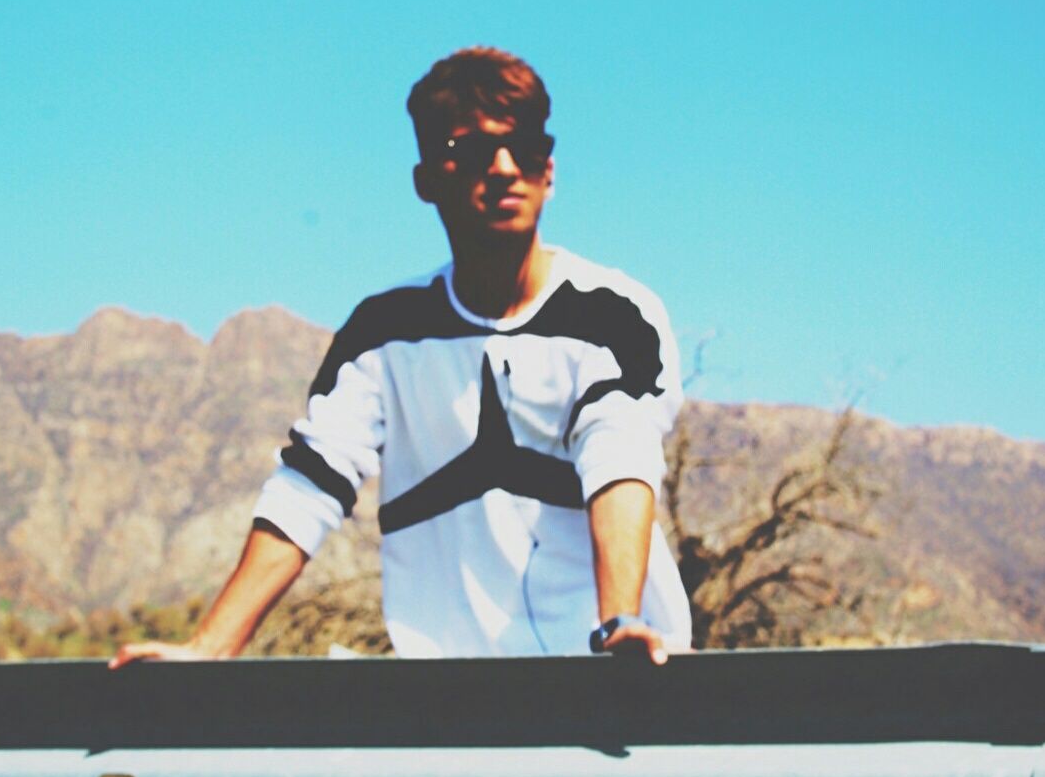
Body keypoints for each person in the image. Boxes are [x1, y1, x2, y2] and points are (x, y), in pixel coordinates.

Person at [110, 47, 692, 669]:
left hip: (613, 679)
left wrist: (619, 624)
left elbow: (619, 455)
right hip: (446, 700)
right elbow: (311, 483)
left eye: (521, 147)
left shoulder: (614, 315)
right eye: (469, 152)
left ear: (548, 168)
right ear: (426, 180)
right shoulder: (382, 334)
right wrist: (209, 648)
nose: (501, 169)